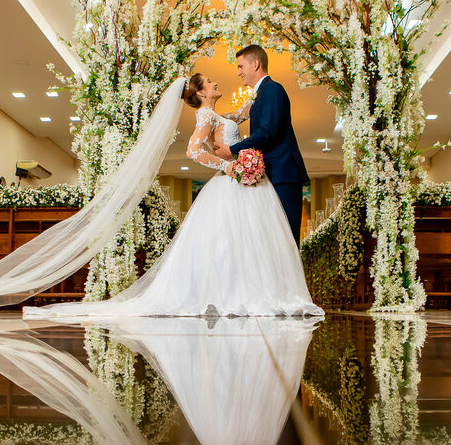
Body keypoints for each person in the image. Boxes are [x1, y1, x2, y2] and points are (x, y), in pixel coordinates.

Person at [22, 71, 322, 319]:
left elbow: (236, 116)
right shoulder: (205, 116)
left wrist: (254, 101)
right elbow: (193, 150)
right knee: (230, 240)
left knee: (237, 241)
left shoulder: (215, 115)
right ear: (202, 92)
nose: (217, 82)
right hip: (228, 181)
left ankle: (245, 291)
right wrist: (227, 166)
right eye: (210, 81)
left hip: (237, 183)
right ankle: (233, 295)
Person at [213, 44, 309, 246]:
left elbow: (268, 131)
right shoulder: (260, 93)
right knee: (274, 241)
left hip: (283, 174)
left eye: (241, 66)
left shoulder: (272, 89)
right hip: (272, 174)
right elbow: (241, 116)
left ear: (255, 64)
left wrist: (232, 151)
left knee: (287, 241)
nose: (238, 72)